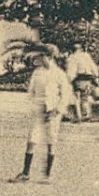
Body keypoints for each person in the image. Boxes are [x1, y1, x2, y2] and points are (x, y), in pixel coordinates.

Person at [11, 44, 68, 183]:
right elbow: (31, 92)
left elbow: (65, 94)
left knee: (51, 140)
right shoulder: (37, 73)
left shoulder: (59, 74)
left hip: (52, 111)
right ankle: (25, 173)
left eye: (43, 56)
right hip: (38, 109)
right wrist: (31, 106)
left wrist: (57, 109)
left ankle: (47, 175)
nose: (41, 59)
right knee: (32, 139)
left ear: (50, 57)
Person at [64, 42, 99, 122]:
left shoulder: (72, 57)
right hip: (88, 79)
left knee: (76, 98)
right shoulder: (86, 56)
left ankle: (78, 116)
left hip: (78, 79)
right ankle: (86, 114)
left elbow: (71, 71)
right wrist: (96, 77)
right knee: (85, 98)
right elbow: (93, 67)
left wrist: (68, 80)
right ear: (81, 49)